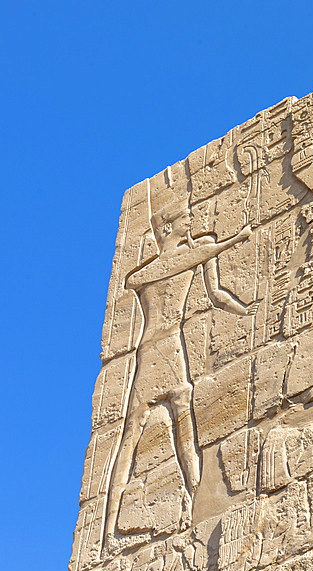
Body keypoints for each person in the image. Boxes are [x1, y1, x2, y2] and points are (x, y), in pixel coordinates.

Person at [102, 195, 257, 550]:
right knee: (132, 434)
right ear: (167, 227)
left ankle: (193, 506)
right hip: (152, 351)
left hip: (171, 349)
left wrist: (245, 311)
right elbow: (155, 271)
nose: (192, 220)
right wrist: (234, 240)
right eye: (185, 217)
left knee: (183, 426)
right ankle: (109, 527)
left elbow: (216, 294)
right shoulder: (159, 268)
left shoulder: (194, 251)